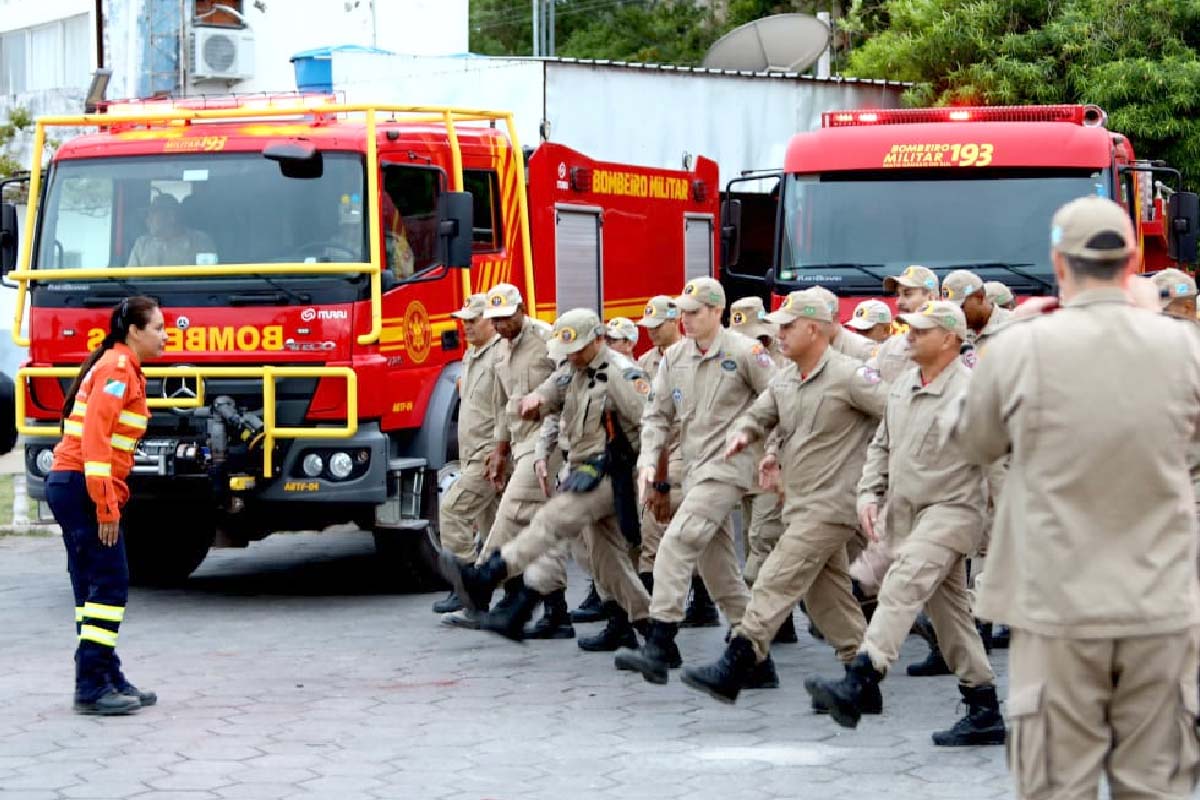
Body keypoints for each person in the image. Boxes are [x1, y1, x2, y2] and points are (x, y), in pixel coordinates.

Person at [953, 196, 1200, 798]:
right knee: (1156, 785)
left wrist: (1008, 337)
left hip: (1056, 604)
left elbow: (969, 439)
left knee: (1059, 785)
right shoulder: (1185, 350)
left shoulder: (1020, 347)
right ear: (1133, 261)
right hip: (1161, 603)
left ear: (1058, 264)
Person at [804, 300, 1006, 748]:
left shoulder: (971, 393)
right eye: (910, 328)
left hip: (953, 512)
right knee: (950, 615)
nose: (909, 335)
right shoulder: (904, 385)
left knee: (902, 583)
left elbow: (998, 466)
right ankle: (984, 706)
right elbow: (881, 445)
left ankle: (863, 678)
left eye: (921, 330)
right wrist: (867, 494)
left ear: (950, 338)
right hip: (908, 514)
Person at [681, 289, 890, 704]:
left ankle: (740, 658)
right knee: (825, 593)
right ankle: (862, 678)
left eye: (788, 326)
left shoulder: (851, 376)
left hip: (833, 505)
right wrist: (749, 436)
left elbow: (899, 417)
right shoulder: (786, 379)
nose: (780, 334)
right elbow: (761, 415)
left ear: (815, 329)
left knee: (777, 574)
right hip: (798, 502)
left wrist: (881, 481)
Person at [438, 308, 654, 645]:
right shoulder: (574, 368)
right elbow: (549, 394)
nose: (573, 355)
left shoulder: (621, 374)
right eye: (569, 350)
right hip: (583, 469)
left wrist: (656, 479)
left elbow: (653, 426)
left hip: (615, 473)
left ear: (598, 339)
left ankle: (490, 579)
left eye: (580, 348)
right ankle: (653, 632)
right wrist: (532, 402)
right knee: (606, 560)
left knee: (551, 519)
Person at [614, 278, 777, 684]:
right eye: (682, 312)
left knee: (678, 541)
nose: (684, 319)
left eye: (693, 311)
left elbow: (780, 400)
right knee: (718, 568)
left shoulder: (745, 352)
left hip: (731, 465)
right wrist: (649, 462)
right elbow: (656, 415)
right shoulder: (675, 358)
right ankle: (755, 658)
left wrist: (771, 452)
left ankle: (661, 640)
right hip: (696, 468)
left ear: (716, 311)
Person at [47, 296, 166, 715]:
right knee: (110, 584)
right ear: (134, 331)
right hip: (82, 485)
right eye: (158, 328)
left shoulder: (121, 367)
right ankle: (92, 685)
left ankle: (105, 673)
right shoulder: (117, 369)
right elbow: (96, 440)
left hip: (73, 484)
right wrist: (106, 505)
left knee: (91, 588)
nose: (166, 337)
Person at [442, 284, 570, 638]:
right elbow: (505, 406)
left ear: (522, 310)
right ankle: (557, 613)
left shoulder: (546, 338)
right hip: (518, 443)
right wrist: (500, 450)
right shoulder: (501, 351)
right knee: (538, 527)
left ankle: (478, 586)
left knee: (510, 512)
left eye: (506, 318)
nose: (501, 326)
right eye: (495, 320)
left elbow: (571, 382)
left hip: (547, 441)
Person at [433, 293, 503, 614]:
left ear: (491, 321)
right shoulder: (474, 353)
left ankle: (466, 587)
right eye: (463, 321)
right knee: (493, 530)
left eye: (472, 321)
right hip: (473, 455)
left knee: (452, 510)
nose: (465, 327)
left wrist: (499, 452)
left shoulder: (501, 354)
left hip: (489, 458)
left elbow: (507, 409)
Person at [127, 195, 217, 267]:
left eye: (152, 213)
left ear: (171, 216)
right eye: (147, 215)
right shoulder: (142, 244)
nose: (147, 219)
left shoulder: (200, 242)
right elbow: (130, 279)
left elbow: (208, 278)